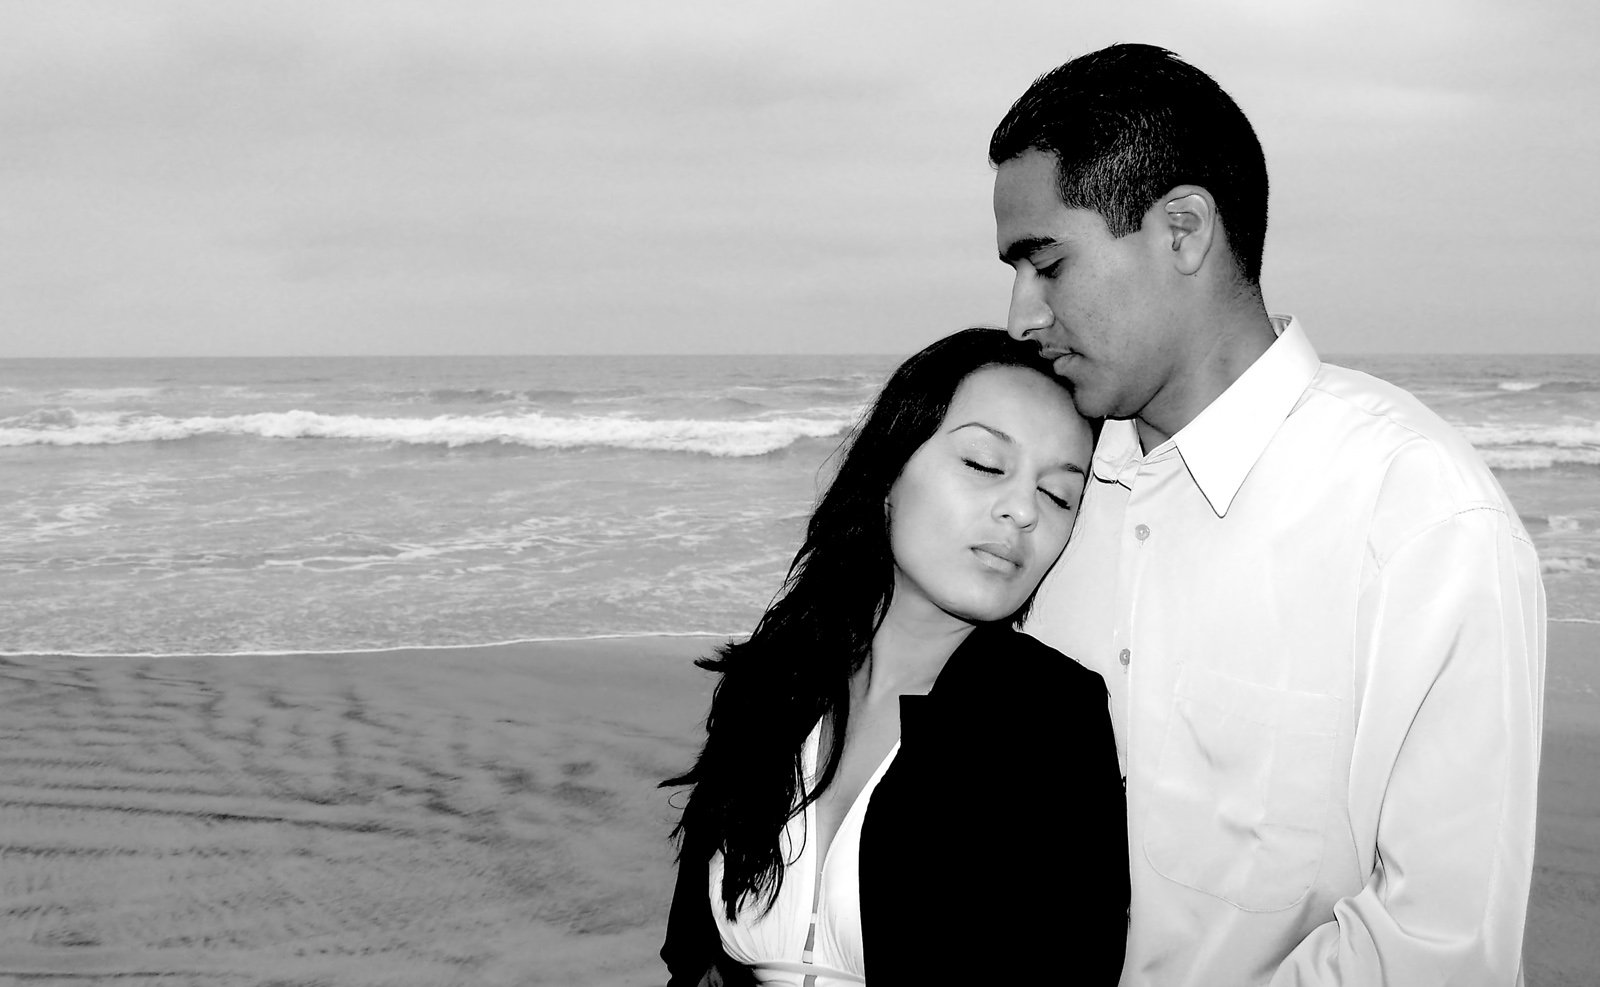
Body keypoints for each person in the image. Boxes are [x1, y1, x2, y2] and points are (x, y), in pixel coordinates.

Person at [989, 43, 1546, 985]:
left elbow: (1440, 949)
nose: (1019, 315)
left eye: (1046, 263)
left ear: (1183, 231)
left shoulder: (1419, 517)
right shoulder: (1045, 500)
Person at [659, 328, 1128, 986]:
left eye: (1058, 495)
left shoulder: (1049, 718)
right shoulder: (772, 681)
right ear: (889, 471)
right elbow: (692, 954)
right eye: (986, 465)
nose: (1022, 510)